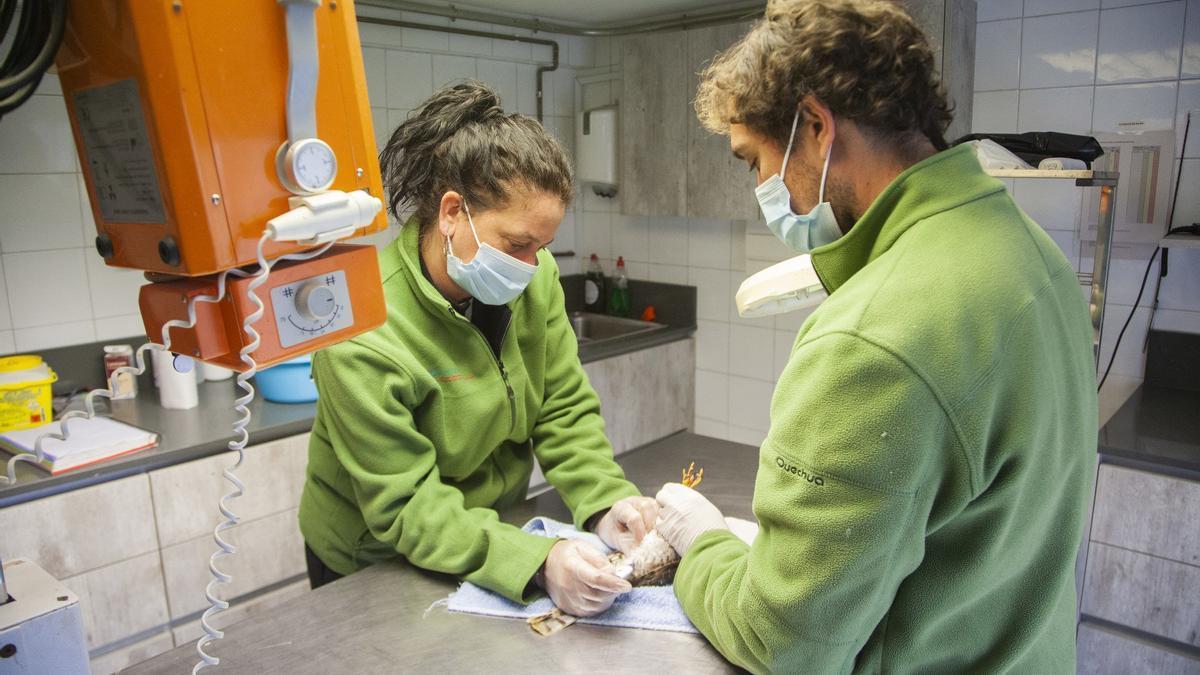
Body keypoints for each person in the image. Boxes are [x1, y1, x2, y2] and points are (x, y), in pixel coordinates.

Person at [654, 1, 1098, 672]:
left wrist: (704, 544)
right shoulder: (1035, 258)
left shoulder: (874, 337)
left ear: (814, 126)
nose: (763, 187)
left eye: (755, 162)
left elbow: (784, 642)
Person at [298, 81, 657, 617]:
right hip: (377, 560)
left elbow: (562, 406)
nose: (532, 265)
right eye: (517, 244)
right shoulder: (363, 328)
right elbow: (407, 506)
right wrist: (536, 562)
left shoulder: (533, 280)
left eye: (543, 246)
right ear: (450, 213)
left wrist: (605, 500)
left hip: (489, 537)